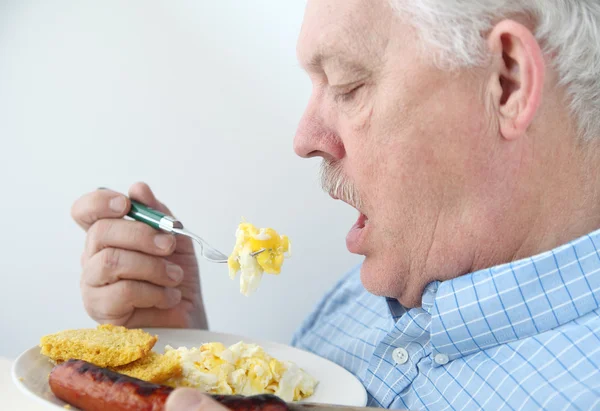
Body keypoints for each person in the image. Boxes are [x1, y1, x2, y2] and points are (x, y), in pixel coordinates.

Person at [71, 0, 600, 409]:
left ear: (508, 80)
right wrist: (190, 355)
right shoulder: (362, 294)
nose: (304, 139)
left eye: (348, 84)